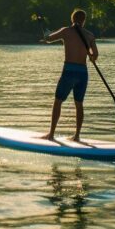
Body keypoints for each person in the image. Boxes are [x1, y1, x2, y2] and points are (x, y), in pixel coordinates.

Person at [39, 9, 98, 142]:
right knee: (79, 104)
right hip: (83, 73)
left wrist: (46, 33)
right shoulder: (89, 35)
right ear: (84, 21)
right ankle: (77, 136)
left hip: (69, 71)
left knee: (58, 101)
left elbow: (48, 39)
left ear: (72, 19)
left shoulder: (66, 31)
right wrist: (92, 58)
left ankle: (51, 134)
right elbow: (95, 55)